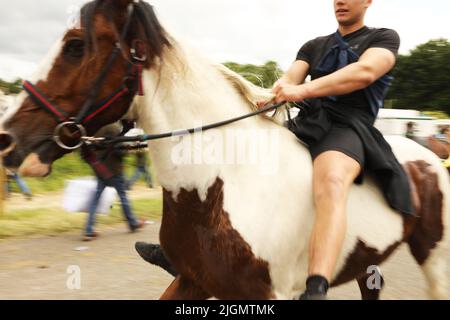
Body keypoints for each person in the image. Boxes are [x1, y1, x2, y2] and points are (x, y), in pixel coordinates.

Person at [135, 0, 414, 300]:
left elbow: (365, 72)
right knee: (233, 163)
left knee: (331, 180)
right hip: (308, 123)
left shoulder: (384, 38)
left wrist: (303, 90)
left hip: (349, 128)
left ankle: (316, 286)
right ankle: (181, 250)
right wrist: (272, 95)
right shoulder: (314, 45)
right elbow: (290, 79)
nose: (340, 1)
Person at [81, 122, 146, 241]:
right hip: (115, 169)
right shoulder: (114, 128)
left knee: (95, 200)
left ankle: (88, 230)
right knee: (123, 197)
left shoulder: (96, 127)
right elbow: (119, 150)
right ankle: (133, 223)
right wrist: (127, 150)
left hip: (100, 169)